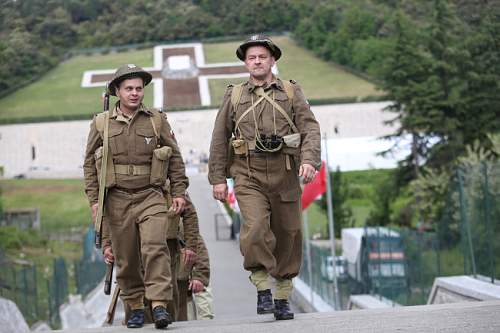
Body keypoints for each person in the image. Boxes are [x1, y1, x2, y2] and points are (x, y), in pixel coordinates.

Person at [208, 35, 321, 320]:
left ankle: (282, 296)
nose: (257, 61)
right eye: (251, 58)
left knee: (288, 233)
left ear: (272, 60)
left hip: (284, 171)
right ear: (246, 63)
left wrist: (309, 160)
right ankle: (261, 286)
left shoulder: (291, 91)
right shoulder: (234, 95)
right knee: (256, 226)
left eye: (262, 56)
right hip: (248, 172)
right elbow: (220, 137)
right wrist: (218, 178)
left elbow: (310, 128)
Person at [83, 64, 190, 329]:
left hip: (150, 195)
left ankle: (159, 305)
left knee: (155, 247)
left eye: (139, 89)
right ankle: (134, 305)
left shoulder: (156, 120)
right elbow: (88, 165)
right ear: (117, 91)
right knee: (127, 257)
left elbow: (175, 157)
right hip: (117, 199)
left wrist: (178, 191)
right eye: (128, 88)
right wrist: (95, 201)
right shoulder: (101, 123)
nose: (134, 93)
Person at [177, 234, 214, 321]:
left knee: (201, 288)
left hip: (185, 290)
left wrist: (199, 277)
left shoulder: (182, 225)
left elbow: (200, 252)